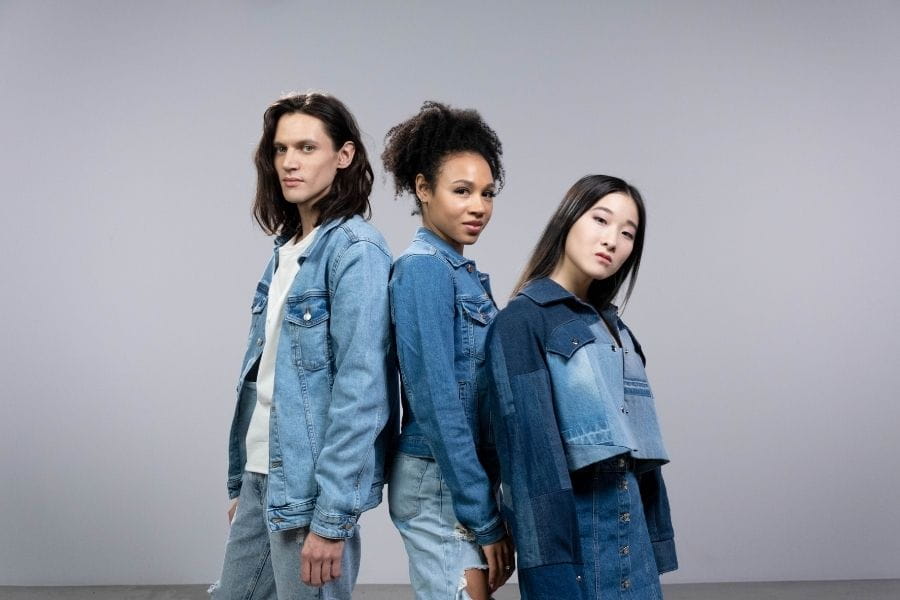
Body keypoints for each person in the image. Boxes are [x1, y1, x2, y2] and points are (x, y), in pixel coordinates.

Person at [211, 92, 397, 600]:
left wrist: (333, 519)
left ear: (345, 155)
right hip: (264, 475)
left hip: (311, 490)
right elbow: (268, 378)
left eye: (307, 147)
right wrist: (247, 484)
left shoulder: (356, 251)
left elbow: (362, 391)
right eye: (280, 149)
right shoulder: (287, 251)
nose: (289, 162)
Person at [485, 175, 677, 599]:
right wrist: (551, 570)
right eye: (601, 220)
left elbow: (640, 452)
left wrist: (655, 543)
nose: (613, 240)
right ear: (569, 220)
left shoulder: (614, 326)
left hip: (633, 537)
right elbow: (530, 458)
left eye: (628, 233)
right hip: (576, 541)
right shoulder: (522, 321)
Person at [381, 101, 515, 600]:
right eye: (462, 191)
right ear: (422, 189)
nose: (478, 206)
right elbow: (439, 403)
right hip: (437, 480)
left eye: (486, 193)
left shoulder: (460, 274)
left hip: (460, 477)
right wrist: (483, 517)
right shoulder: (423, 270)